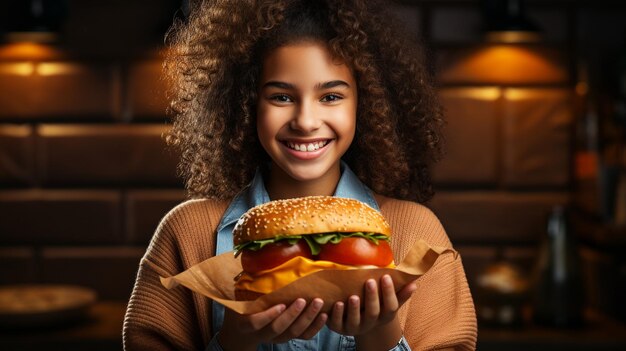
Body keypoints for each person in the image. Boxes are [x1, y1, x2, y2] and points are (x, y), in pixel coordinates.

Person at [123, 0, 477, 350]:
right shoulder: (186, 234)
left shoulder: (420, 233)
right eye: (281, 97)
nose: (306, 122)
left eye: (331, 96)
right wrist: (233, 342)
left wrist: (380, 336)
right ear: (247, 105)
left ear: (364, 103)